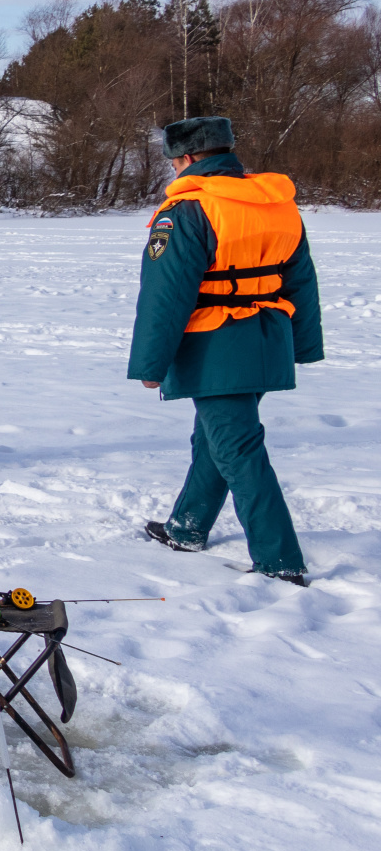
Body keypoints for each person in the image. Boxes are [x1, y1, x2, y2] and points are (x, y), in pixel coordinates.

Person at [132, 116, 322, 586]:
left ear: (191, 159)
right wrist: (303, 344)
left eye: (175, 161)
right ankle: (186, 528)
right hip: (267, 339)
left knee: (237, 448)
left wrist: (150, 365)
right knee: (215, 439)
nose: (174, 170)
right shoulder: (278, 204)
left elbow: (166, 295)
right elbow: (301, 280)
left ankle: (280, 560)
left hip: (215, 345)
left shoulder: (188, 210)